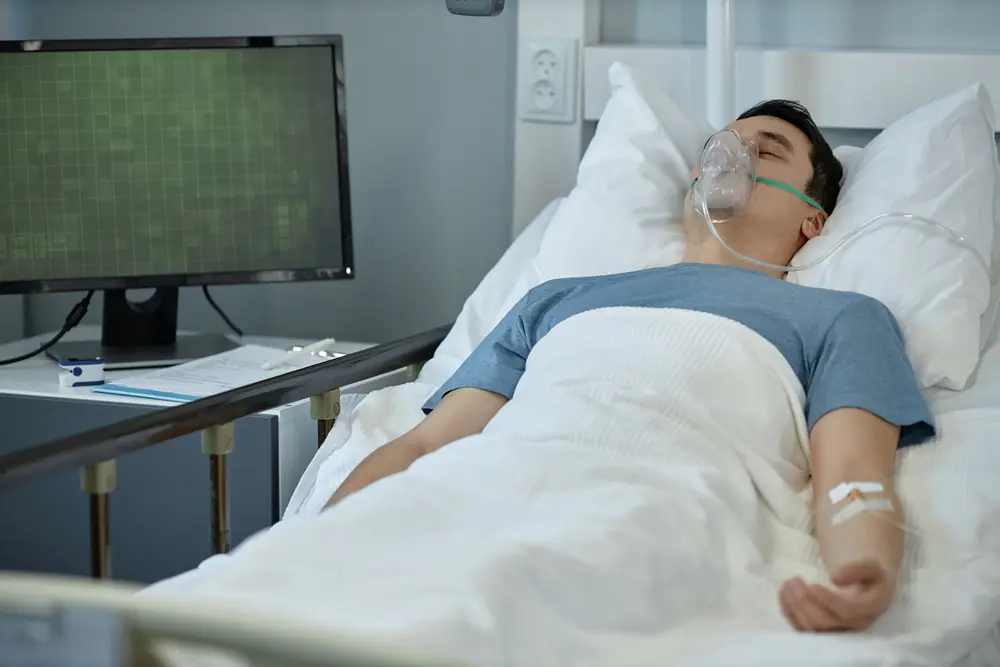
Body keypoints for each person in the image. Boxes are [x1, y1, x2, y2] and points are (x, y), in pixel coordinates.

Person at [325, 100, 936, 634]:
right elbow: (425, 445)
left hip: (658, 519)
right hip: (483, 501)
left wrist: (866, 570)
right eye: (721, 146)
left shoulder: (841, 317)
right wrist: (325, 537)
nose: (734, 158)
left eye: (767, 152)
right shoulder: (555, 299)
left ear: (813, 219)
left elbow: (852, 475)